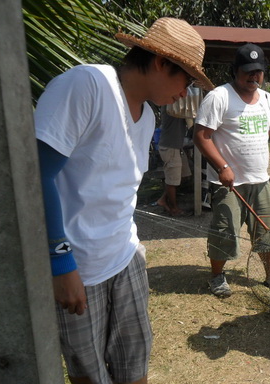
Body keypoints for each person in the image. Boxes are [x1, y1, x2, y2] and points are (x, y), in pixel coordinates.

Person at [35, 18, 213, 384]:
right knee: (89, 372)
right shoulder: (89, 85)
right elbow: (37, 173)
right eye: (187, 80)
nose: (186, 92)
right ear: (162, 62)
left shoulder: (147, 117)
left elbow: (116, 190)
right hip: (78, 267)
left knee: (135, 366)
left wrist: (135, 252)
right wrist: (60, 260)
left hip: (123, 256)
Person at [194, 43, 270, 298]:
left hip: (260, 181)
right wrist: (222, 167)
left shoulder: (266, 99)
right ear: (235, 71)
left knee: (269, 230)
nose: (253, 77)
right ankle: (217, 276)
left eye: (258, 72)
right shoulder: (219, 96)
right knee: (225, 231)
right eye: (248, 71)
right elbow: (201, 136)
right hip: (228, 183)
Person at [156, 105, 192, 216]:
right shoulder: (172, 107)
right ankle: (173, 208)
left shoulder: (177, 107)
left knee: (185, 175)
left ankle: (163, 199)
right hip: (170, 146)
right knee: (173, 180)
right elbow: (191, 122)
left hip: (176, 146)